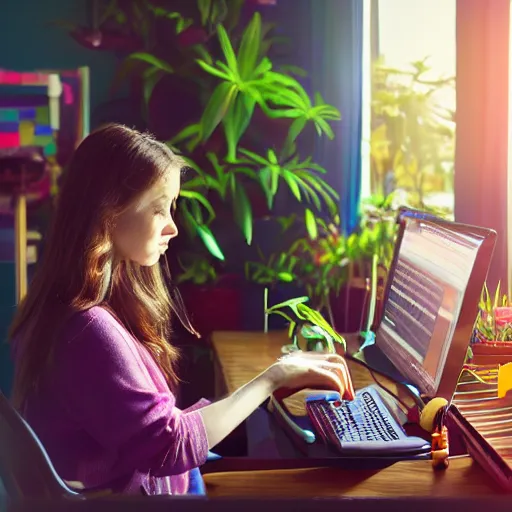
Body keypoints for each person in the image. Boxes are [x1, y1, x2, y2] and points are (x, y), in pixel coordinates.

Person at [9, 123, 354, 496]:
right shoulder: (86, 329)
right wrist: (271, 379)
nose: (173, 227)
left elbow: (154, 433)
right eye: (159, 209)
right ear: (109, 211)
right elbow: (170, 447)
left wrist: (265, 386)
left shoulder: (61, 309)